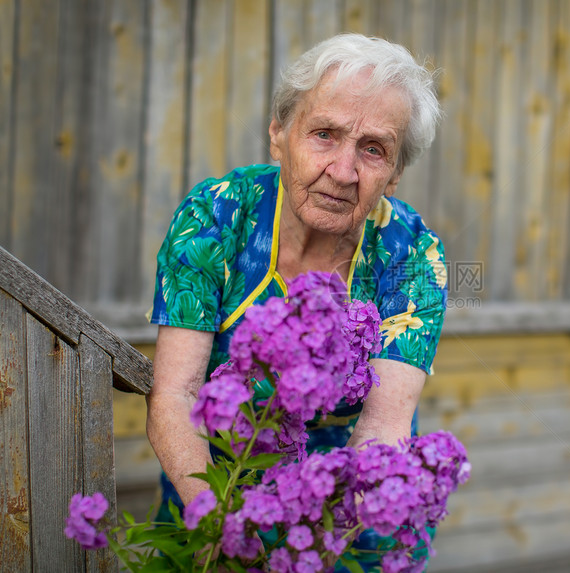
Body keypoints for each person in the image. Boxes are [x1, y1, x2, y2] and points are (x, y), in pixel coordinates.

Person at [145, 33, 447, 568]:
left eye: (373, 149)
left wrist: (312, 545)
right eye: (324, 134)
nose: (343, 171)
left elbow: (381, 428)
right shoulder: (217, 217)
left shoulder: (413, 256)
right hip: (214, 494)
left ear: (396, 173)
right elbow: (175, 394)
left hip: (345, 527)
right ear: (278, 133)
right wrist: (224, 528)